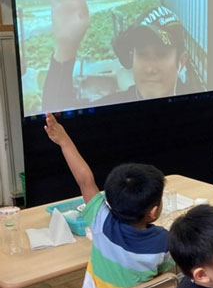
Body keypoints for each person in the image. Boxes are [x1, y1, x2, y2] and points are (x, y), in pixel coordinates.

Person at [44, 112, 174, 287]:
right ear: (152, 211)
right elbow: (166, 275)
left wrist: (64, 141)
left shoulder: (101, 222)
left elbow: (85, 180)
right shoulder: (163, 241)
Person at [42, 0, 194, 112]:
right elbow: (55, 125)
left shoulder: (200, 110)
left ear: (181, 61)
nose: (149, 68)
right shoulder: (117, 111)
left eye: (161, 54)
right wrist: (66, 45)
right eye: (142, 54)